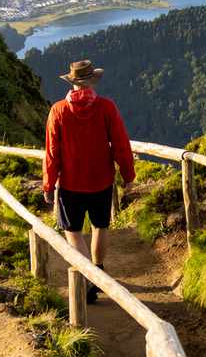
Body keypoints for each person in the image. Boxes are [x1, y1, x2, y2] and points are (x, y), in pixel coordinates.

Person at [42, 59, 136, 303]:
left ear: (72, 82)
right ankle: (98, 270)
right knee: (99, 226)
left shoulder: (58, 111)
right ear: (92, 81)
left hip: (70, 183)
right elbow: (121, 144)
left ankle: (89, 279)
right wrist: (128, 175)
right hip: (101, 180)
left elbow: (52, 152)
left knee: (72, 232)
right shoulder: (106, 107)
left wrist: (48, 184)